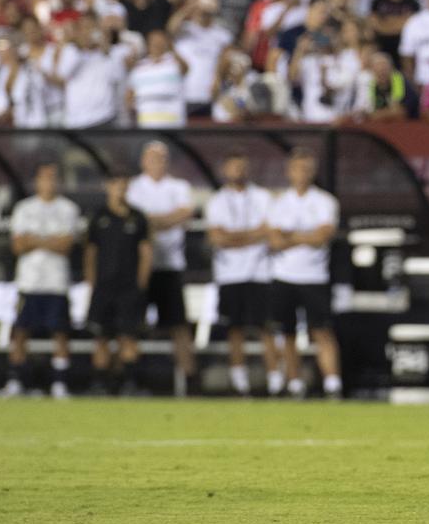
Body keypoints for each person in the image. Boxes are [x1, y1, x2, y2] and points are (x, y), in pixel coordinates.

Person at [1, 162, 82, 400]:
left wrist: (34, 240)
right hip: (29, 281)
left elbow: (66, 245)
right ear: (37, 181)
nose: (49, 182)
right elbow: (17, 245)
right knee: (20, 332)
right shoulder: (24, 208)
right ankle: (15, 381)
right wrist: (51, 241)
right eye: (45, 177)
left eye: (53, 177)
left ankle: (59, 384)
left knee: (60, 333)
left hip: (57, 282)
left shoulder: (69, 209)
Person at [266, 148, 342, 399]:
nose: (302, 173)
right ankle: (294, 381)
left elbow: (323, 236)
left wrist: (292, 236)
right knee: (286, 332)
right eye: (298, 168)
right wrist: (306, 236)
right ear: (289, 171)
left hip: (314, 276)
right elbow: (275, 241)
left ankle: (332, 383)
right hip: (284, 275)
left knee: (322, 330)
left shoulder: (325, 201)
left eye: (307, 168)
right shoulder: (278, 202)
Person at [126, 142, 198, 396]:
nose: (157, 162)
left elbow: (184, 214)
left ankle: (190, 382)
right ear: (143, 160)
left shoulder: (179, 187)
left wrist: (150, 221)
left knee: (178, 325)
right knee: (131, 324)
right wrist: (164, 219)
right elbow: (132, 220)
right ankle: (131, 379)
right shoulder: (134, 187)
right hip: (138, 266)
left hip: (170, 265)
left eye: (162, 157)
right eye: (153, 157)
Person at [205, 152, 278, 397]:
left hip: (260, 272)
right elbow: (216, 238)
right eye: (233, 166)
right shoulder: (216, 201)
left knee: (266, 328)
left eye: (242, 166)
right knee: (234, 329)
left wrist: (232, 237)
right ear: (225, 169)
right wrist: (252, 235)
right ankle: (239, 382)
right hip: (229, 274)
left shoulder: (263, 197)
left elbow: (269, 232)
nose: (238, 171)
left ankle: (275, 380)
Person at [85, 170, 152, 396]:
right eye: (116, 185)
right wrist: (92, 283)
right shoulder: (99, 217)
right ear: (108, 187)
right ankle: (99, 383)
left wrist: (140, 284)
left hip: (128, 287)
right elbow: (91, 252)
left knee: (128, 336)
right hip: (103, 286)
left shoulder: (138, 218)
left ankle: (130, 383)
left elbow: (145, 252)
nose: (120, 189)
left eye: (124, 185)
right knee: (101, 336)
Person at [126, 30, 189, 128]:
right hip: (147, 120)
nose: (157, 44)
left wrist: (173, 50)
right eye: (154, 41)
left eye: (160, 40)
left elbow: (185, 69)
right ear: (148, 44)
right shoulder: (139, 67)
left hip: (173, 120)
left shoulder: (175, 62)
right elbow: (130, 93)